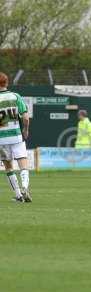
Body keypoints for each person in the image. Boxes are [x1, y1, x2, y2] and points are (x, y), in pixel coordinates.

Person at [0, 72, 32, 202]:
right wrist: (25, 129)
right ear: (7, 82)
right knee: (23, 164)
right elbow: (25, 117)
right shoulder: (15, 96)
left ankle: (18, 195)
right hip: (16, 136)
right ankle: (25, 187)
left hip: (1, 138)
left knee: (9, 167)